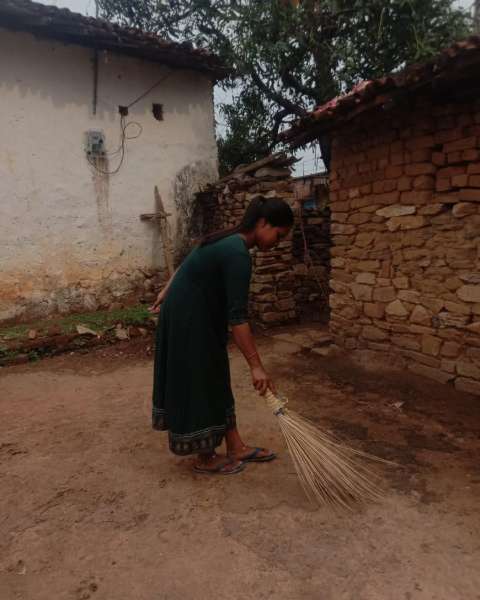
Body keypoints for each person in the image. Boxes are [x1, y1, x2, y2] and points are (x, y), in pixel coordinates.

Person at [150, 196, 294, 475]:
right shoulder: (237, 253)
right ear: (263, 223)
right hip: (188, 320)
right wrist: (256, 366)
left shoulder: (227, 240)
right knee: (200, 380)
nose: (277, 243)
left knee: (216, 374)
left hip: (196, 314)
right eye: (279, 235)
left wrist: (167, 290)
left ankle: (236, 445)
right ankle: (204, 457)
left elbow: (189, 261)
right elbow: (237, 317)